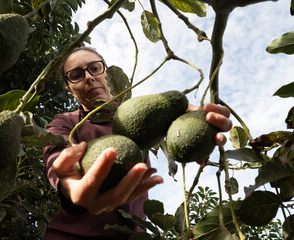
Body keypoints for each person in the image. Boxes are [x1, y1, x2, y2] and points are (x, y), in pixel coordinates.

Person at [42, 46, 233, 239]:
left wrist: (198, 122)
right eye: (76, 75)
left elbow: (182, 136)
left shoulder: (143, 114)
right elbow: (55, 156)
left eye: (94, 68)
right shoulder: (65, 122)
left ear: (105, 71)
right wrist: (68, 184)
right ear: (69, 88)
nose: (89, 77)